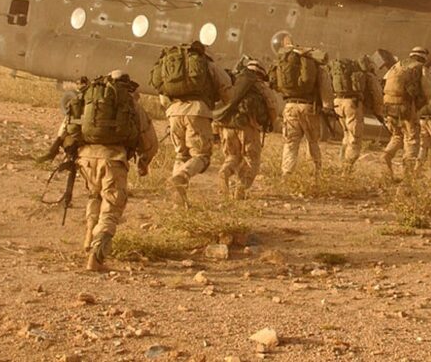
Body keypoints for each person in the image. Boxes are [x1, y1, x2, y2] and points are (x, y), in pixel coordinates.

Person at [60, 70, 158, 271]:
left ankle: (88, 238)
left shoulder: (88, 100)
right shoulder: (130, 106)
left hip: (85, 159)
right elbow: (149, 141)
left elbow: (64, 130)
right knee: (112, 209)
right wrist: (144, 162)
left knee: (94, 196)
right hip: (113, 160)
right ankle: (96, 258)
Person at [151, 40, 231, 208]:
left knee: (181, 155)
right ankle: (183, 176)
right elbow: (226, 87)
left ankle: (178, 201)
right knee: (201, 156)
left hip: (173, 112)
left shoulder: (170, 64)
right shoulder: (207, 63)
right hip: (197, 111)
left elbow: (163, 95)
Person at [269, 42, 333, 181]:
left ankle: (286, 174)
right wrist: (328, 106)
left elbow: (275, 84)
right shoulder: (315, 65)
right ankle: (316, 173)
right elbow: (325, 87)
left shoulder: (285, 64)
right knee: (312, 141)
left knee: (290, 143)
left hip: (290, 106)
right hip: (309, 108)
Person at [213, 58, 277, 199]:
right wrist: (269, 123)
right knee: (252, 159)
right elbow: (272, 107)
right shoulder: (260, 85)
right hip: (249, 126)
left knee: (232, 156)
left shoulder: (234, 82)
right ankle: (241, 188)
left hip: (227, 127)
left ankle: (224, 172)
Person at [381, 46, 431, 180]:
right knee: (412, 139)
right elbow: (427, 91)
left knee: (397, 135)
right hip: (407, 108)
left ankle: (387, 155)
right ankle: (407, 175)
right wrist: (421, 106)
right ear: (424, 57)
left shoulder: (396, 66)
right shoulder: (421, 68)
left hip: (389, 107)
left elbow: (383, 82)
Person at [328, 55, 383, 173]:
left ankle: (341, 163)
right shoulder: (367, 75)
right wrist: (379, 112)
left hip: (338, 102)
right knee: (355, 138)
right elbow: (377, 94)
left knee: (347, 134)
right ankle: (346, 169)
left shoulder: (344, 74)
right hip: (352, 104)